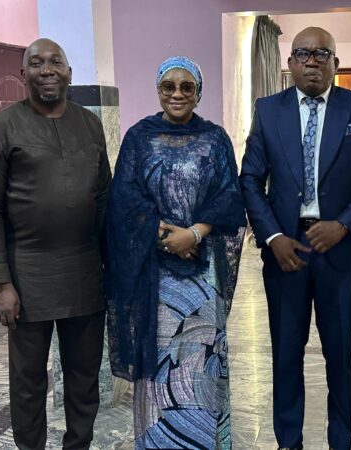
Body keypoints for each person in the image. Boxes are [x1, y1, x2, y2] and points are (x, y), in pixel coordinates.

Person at [240, 27, 351, 450]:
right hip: (285, 254)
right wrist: (273, 236)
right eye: (303, 53)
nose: (312, 60)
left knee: (340, 357)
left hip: (340, 254)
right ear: (289, 62)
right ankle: (289, 442)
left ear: (335, 63)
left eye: (322, 53)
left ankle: (340, 442)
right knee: (286, 356)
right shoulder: (268, 111)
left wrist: (343, 224)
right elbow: (250, 179)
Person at [105, 56, 246, 450]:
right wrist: (166, 236)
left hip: (202, 277)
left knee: (199, 358)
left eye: (187, 87)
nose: (178, 94)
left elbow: (230, 197)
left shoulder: (215, 139)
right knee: (158, 360)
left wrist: (195, 234)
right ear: (158, 90)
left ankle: (200, 440)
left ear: (199, 93)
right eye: (169, 86)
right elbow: (123, 199)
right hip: (154, 276)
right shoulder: (139, 137)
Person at [0, 38, 111, 450]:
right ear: (24, 74)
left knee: (84, 378)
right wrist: (2, 283)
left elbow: (104, 198)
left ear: (70, 72)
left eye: (56, 62)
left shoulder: (90, 125)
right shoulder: (1, 127)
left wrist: (111, 269)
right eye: (36, 63)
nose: (47, 69)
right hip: (27, 277)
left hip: (85, 274)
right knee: (28, 382)